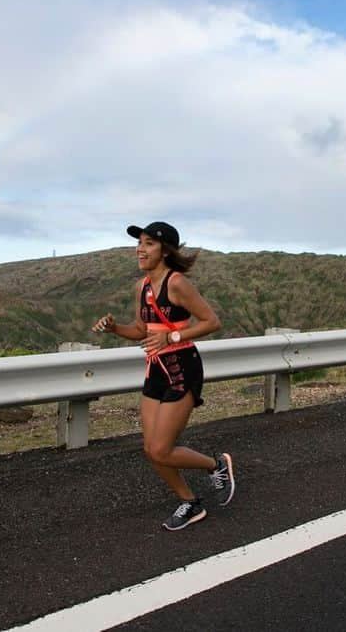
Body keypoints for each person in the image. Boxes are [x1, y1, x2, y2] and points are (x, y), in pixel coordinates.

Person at [92, 221, 235, 530]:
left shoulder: (177, 284)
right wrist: (115, 328)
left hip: (182, 367)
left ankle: (217, 464)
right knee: (150, 449)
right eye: (139, 243)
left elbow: (211, 322)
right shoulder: (141, 287)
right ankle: (190, 503)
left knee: (161, 449)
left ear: (165, 250)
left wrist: (171, 338)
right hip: (156, 369)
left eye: (148, 244)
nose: (140, 249)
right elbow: (141, 331)